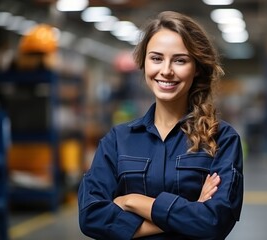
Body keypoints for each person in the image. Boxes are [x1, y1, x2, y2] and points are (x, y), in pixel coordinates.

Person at [78, 11, 244, 240]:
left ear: (196, 68)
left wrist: (132, 201)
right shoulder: (118, 140)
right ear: (144, 63)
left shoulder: (222, 139)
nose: (166, 70)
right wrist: (192, 209)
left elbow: (214, 222)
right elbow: (91, 217)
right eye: (156, 58)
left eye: (180, 60)